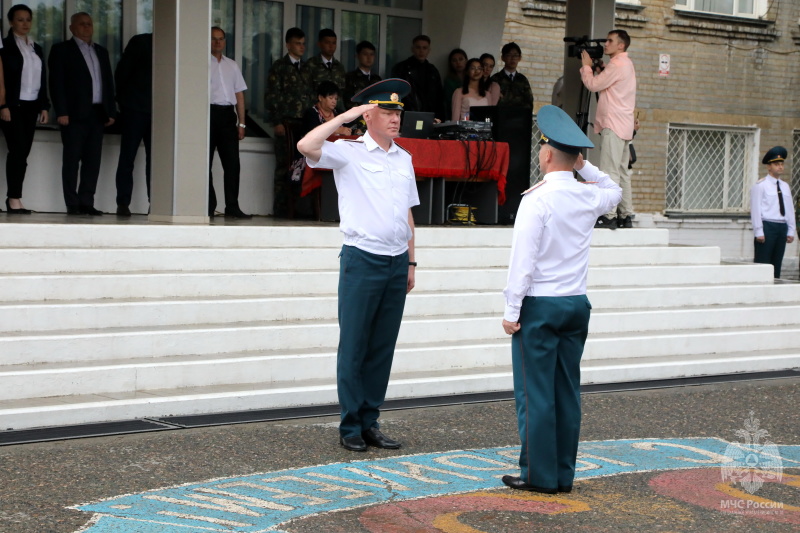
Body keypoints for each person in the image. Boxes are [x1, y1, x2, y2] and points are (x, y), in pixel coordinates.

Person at [501, 105, 621, 494]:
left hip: (540, 305)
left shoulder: (536, 199)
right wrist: (584, 167)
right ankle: (563, 475)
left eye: (542, 149)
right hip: (575, 304)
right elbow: (614, 191)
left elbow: (523, 260)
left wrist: (510, 309)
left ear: (548, 154)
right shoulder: (588, 196)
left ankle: (538, 475)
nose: (540, 153)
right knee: (566, 393)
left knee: (535, 395)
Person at [297, 79, 419, 453]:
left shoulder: (404, 158)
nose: (395, 118)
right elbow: (305, 146)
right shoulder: (348, 152)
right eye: (387, 111)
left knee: (382, 346)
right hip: (362, 259)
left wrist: (412, 260)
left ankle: (371, 421)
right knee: (354, 345)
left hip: (397, 260)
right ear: (369, 115)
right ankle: (350, 425)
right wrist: (345, 117)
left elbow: (408, 213)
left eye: (397, 111)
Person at [48, 12, 115, 215]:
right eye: (82, 24)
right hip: (73, 115)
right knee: (72, 159)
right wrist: (61, 111)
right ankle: (72, 203)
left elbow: (108, 83)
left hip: (97, 114)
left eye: (89, 24)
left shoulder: (101, 52)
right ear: (72, 28)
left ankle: (87, 201)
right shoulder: (62, 50)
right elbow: (56, 83)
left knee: (92, 161)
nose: (87, 27)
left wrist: (110, 111)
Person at [580, 29, 636, 230]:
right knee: (622, 171)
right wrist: (602, 69)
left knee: (610, 170)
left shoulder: (617, 64)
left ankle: (609, 215)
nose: (606, 44)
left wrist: (587, 67)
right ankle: (626, 214)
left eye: (610, 41)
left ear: (621, 45)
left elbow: (593, 85)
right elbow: (609, 84)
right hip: (624, 124)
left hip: (613, 124)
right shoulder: (626, 64)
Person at [0, 3, 48, 215]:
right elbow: (3, 78)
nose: (25, 23)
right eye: (20, 19)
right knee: (17, 150)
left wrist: (44, 106)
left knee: (23, 152)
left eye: (28, 19)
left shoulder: (35, 47)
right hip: (13, 105)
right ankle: (13, 198)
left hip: (31, 105)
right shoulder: (4, 46)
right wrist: (4, 104)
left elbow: (42, 78)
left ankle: (15, 197)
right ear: (11, 22)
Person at [266, 27, 310, 217]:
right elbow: (272, 96)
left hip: (304, 125)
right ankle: (281, 210)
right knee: (284, 168)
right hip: (286, 124)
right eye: (297, 43)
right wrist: (277, 121)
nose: (302, 47)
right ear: (288, 45)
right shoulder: (279, 67)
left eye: (303, 43)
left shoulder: (307, 68)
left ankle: (299, 209)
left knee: (302, 167)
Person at [208, 26, 250, 219]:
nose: (218, 42)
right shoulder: (201, 63)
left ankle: (232, 206)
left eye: (221, 39)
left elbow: (239, 94)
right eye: (214, 39)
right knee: (204, 163)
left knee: (233, 164)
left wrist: (242, 123)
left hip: (227, 116)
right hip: (207, 113)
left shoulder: (231, 65)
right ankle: (208, 204)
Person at [113, 32, 152, 217]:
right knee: (128, 158)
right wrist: (123, 103)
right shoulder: (141, 42)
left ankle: (156, 202)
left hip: (159, 112)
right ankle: (123, 202)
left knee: (155, 161)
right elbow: (122, 73)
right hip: (135, 109)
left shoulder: (174, 44)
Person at [750, 146, 796, 279]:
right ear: (769, 167)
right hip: (767, 226)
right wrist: (759, 231)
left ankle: (774, 287)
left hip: (781, 226)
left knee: (777, 262)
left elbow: (789, 209)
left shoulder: (785, 186)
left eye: (781, 164)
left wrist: (790, 230)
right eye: (776, 164)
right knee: (763, 263)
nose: (780, 167)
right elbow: (756, 209)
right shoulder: (761, 185)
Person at [391, 35, 445, 121]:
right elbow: (394, 95)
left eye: (424, 48)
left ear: (429, 50)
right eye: (418, 47)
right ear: (412, 49)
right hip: (407, 116)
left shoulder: (432, 71)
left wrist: (439, 118)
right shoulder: (401, 69)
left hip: (429, 117)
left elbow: (439, 98)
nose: (421, 51)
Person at [301, 29, 346, 111]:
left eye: (333, 43)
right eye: (327, 42)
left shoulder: (339, 67)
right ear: (319, 44)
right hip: (317, 113)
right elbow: (306, 92)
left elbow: (342, 92)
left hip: (337, 113)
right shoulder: (311, 65)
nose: (331, 46)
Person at [489, 42, 533, 111]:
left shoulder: (522, 80)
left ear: (519, 58)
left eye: (515, 55)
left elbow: (529, 101)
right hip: (500, 118)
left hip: (518, 118)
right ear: (503, 58)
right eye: (509, 55)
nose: (512, 58)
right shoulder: (495, 79)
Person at [343, 40, 381, 110]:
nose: (369, 58)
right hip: (357, 117)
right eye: (365, 54)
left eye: (371, 54)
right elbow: (348, 102)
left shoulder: (377, 79)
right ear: (358, 56)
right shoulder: (350, 77)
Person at [443, 48, 467, 119]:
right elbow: (448, 102)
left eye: (461, 59)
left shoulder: (471, 78)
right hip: (453, 114)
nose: (458, 63)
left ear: (466, 60)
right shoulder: (449, 81)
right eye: (454, 60)